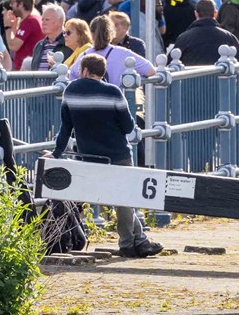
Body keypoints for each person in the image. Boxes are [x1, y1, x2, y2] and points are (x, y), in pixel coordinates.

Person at [56, 54, 162, 257]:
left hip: (89, 156)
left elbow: (65, 128)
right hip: (117, 153)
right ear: (101, 72)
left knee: (119, 198)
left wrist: (56, 152)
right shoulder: (113, 92)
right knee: (124, 198)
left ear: (85, 71)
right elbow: (128, 126)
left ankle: (140, 240)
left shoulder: (71, 91)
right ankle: (127, 243)